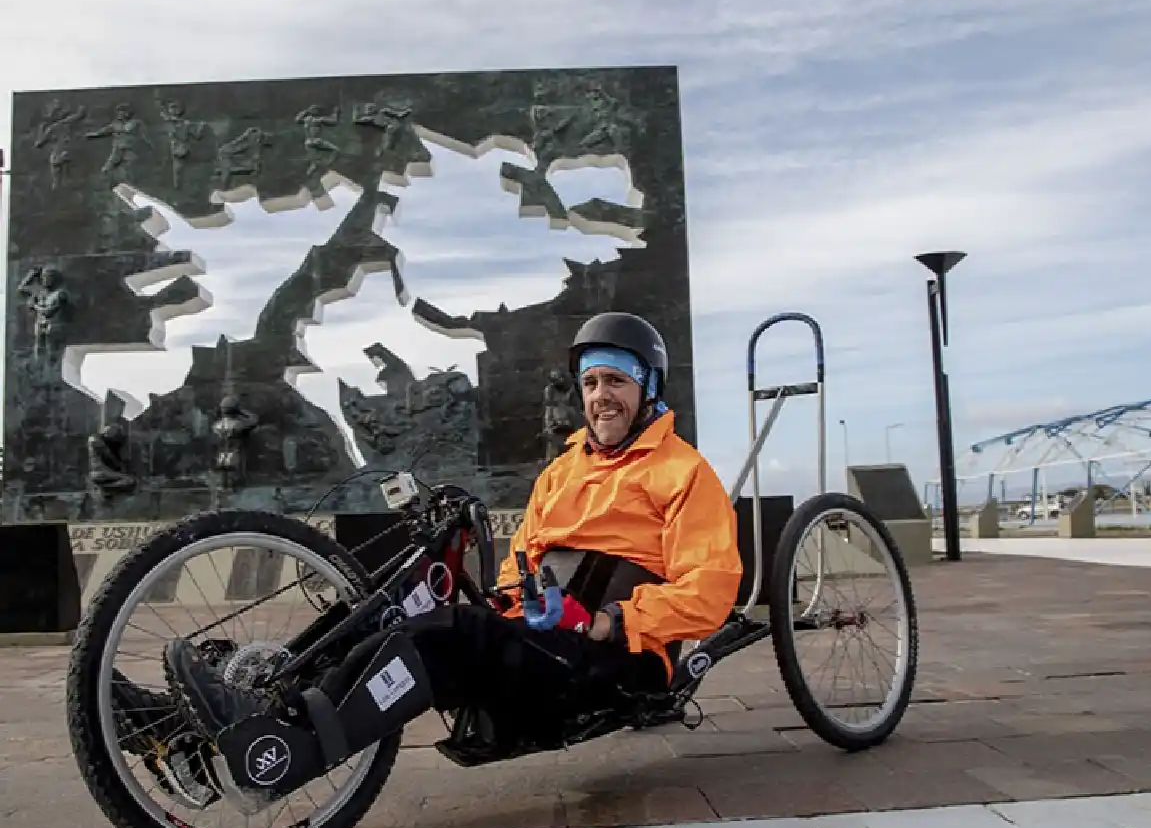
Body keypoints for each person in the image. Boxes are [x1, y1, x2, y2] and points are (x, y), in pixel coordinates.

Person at [160, 312, 744, 767]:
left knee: (450, 633)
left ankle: (285, 755)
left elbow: (712, 589)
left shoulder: (683, 472)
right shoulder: (561, 472)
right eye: (590, 383)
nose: (600, 397)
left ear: (647, 387)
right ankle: (184, 729)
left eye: (616, 380)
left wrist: (610, 620)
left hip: (617, 660)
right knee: (381, 617)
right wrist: (521, 601)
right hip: (548, 643)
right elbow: (523, 563)